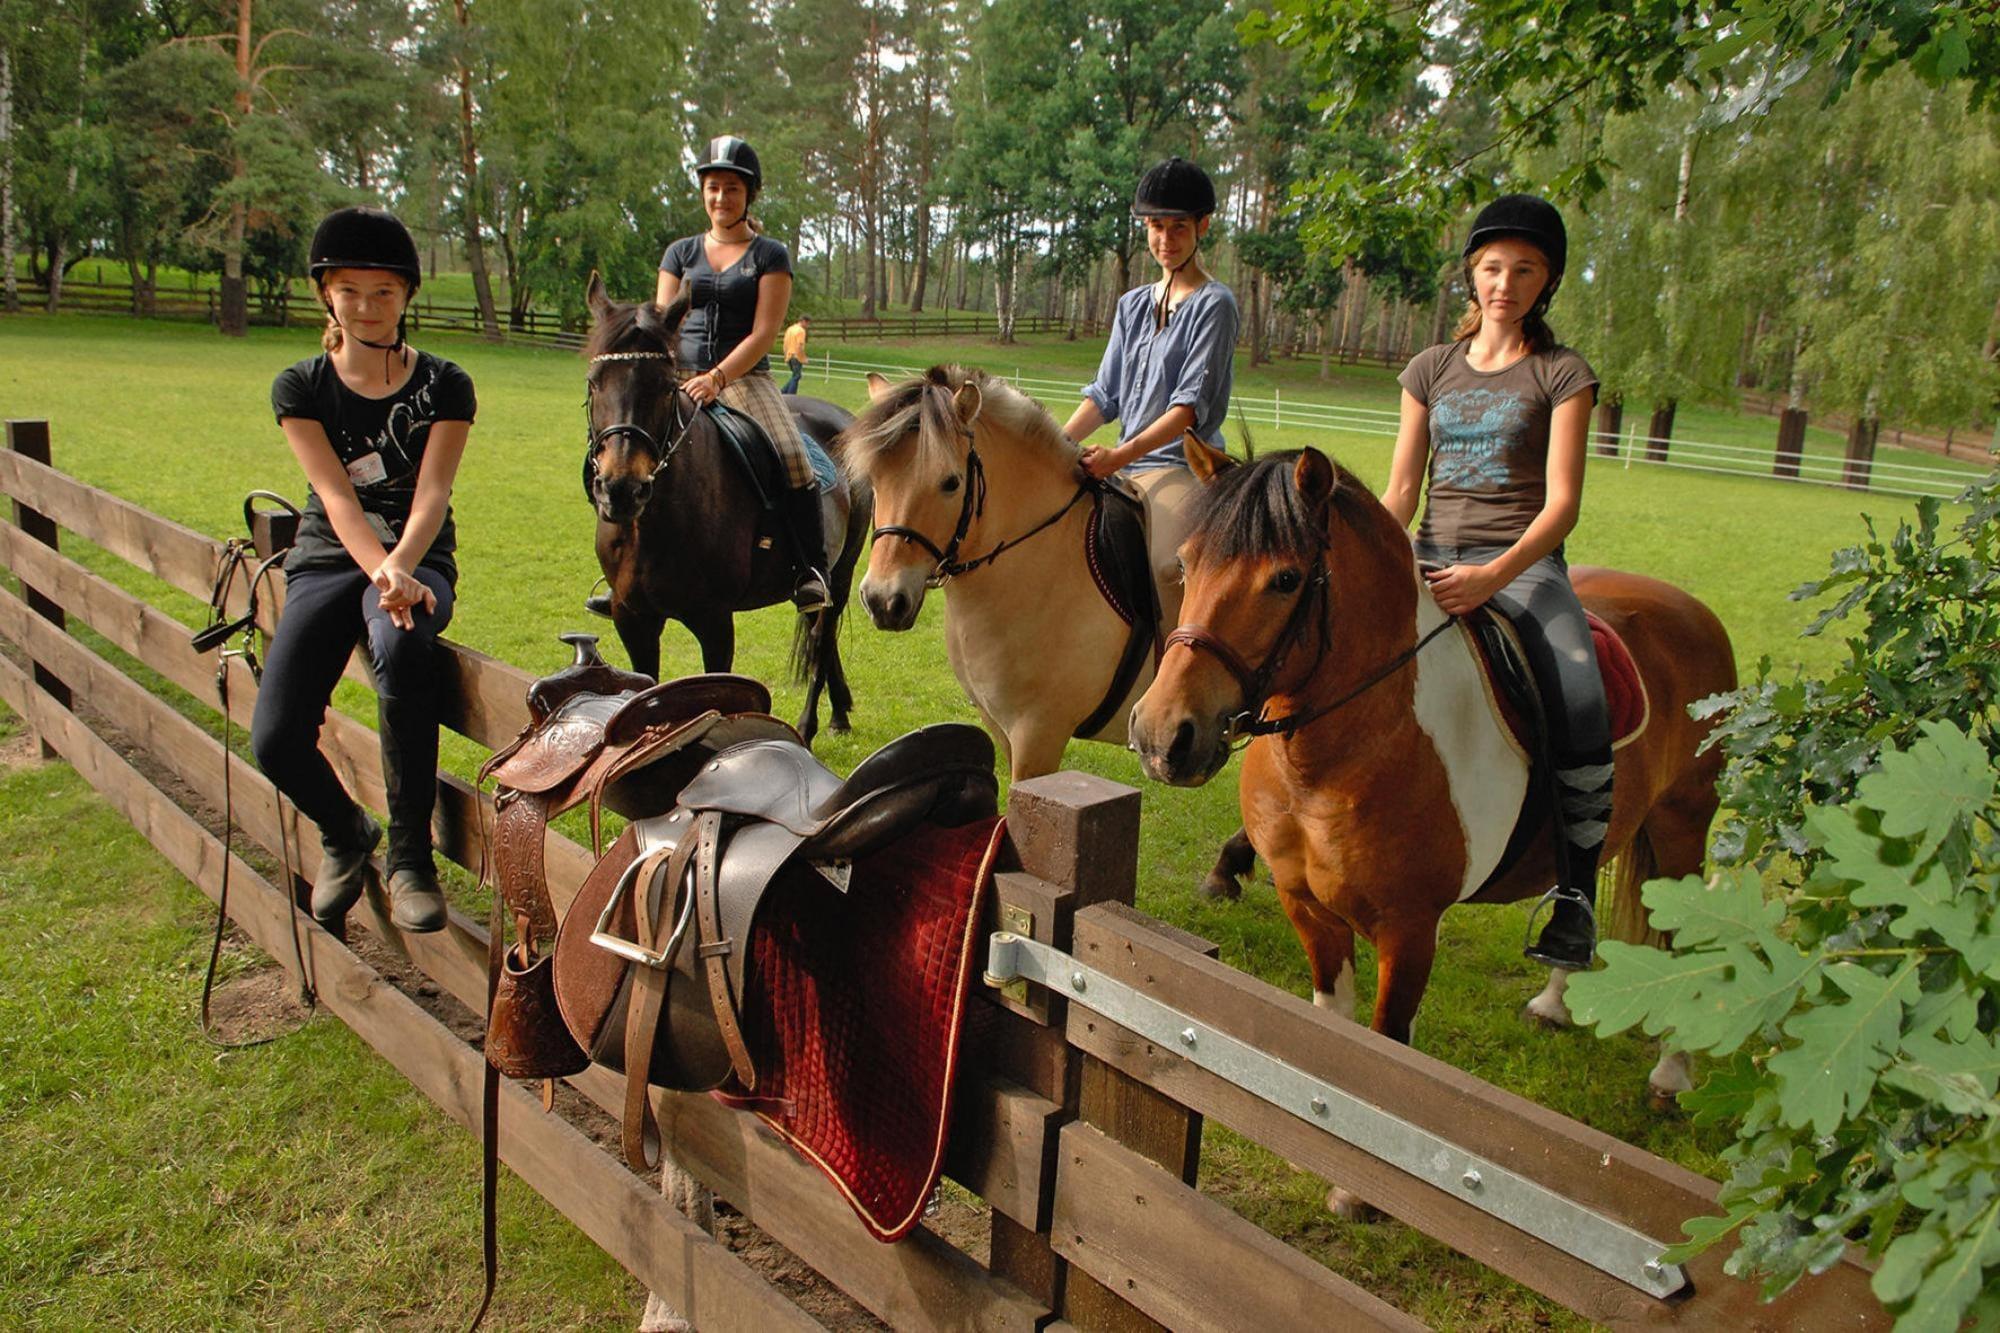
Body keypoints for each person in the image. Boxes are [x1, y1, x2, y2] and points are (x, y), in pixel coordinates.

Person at [1381, 193, 1607, 970]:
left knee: (1579, 689)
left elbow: (1563, 504)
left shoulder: (1562, 373)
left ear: (1547, 282)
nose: (1505, 283)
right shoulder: (1430, 369)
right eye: (1492, 268)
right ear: (1472, 276)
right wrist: (1377, 553)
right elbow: (1401, 490)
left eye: (1524, 270)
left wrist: (1491, 577)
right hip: (1428, 555)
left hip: (1522, 567)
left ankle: (1576, 895)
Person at [250, 206, 474, 934]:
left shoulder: (446, 384)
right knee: (275, 737)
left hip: (419, 553)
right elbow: (337, 497)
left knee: (402, 645)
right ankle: (346, 829)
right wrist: (382, 572)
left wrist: (403, 568)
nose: (367, 307)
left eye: (384, 292)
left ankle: (411, 858)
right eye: (349, 290)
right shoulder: (300, 386)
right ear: (326, 293)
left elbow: (433, 492)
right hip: (330, 555)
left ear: (407, 296)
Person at [653, 134, 829, 611]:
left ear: (749, 195)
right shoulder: (679, 253)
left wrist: (717, 378)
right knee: (627, 448)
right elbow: (664, 320)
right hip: (678, 374)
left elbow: (764, 333)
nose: (720, 197)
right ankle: (623, 569)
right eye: (712, 187)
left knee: (793, 456)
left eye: (731, 188)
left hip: (744, 378)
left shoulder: (769, 256)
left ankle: (811, 570)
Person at [1060, 157, 1238, 624]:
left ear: (1202, 226)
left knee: (1166, 566)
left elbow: (1187, 410)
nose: (1165, 240)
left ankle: (1175, 662)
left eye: (1178, 227)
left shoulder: (1215, 305)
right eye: (1156, 226)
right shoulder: (1132, 304)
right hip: (1125, 465)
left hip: (1182, 467)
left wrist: (1119, 456)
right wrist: (1056, 445)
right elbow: (1105, 396)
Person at [781, 314, 811, 394]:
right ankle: (789, 394)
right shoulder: (801, 331)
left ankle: (783, 392)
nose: (808, 326)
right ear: (803, 321)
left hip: (789, 355)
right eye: (808, 324)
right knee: (797, 376)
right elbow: (799, 346)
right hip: (796, 356)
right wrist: (804, 358)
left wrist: (785, 356)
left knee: (795, 376)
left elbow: (785, 344)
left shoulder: (790, 329)